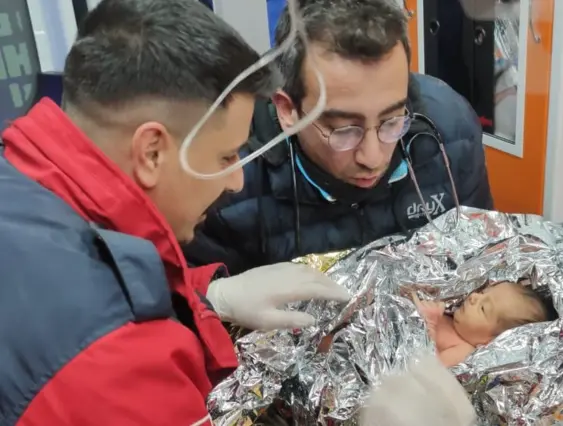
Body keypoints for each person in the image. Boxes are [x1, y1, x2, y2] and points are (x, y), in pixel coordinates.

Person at [0, 0, 355, 424]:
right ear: (151, 152)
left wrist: (204, 299)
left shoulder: (24, 181)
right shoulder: (113, 369)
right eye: (225, 156)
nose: (236, 181)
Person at [184, 0, 494, 275]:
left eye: (391, 121)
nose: (373, 158)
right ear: (288, 111)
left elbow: (481, 258)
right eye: (345, 130)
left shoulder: (451, 133)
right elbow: (195, 307)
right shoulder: (230, 177)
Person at [416, 281, 558, 367]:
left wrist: (430, 324)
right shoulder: (452, 319)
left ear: (490, 342)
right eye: (483, 292)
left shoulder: (463, 351)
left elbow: (429, 371)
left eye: (483, 308)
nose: (473, 296)